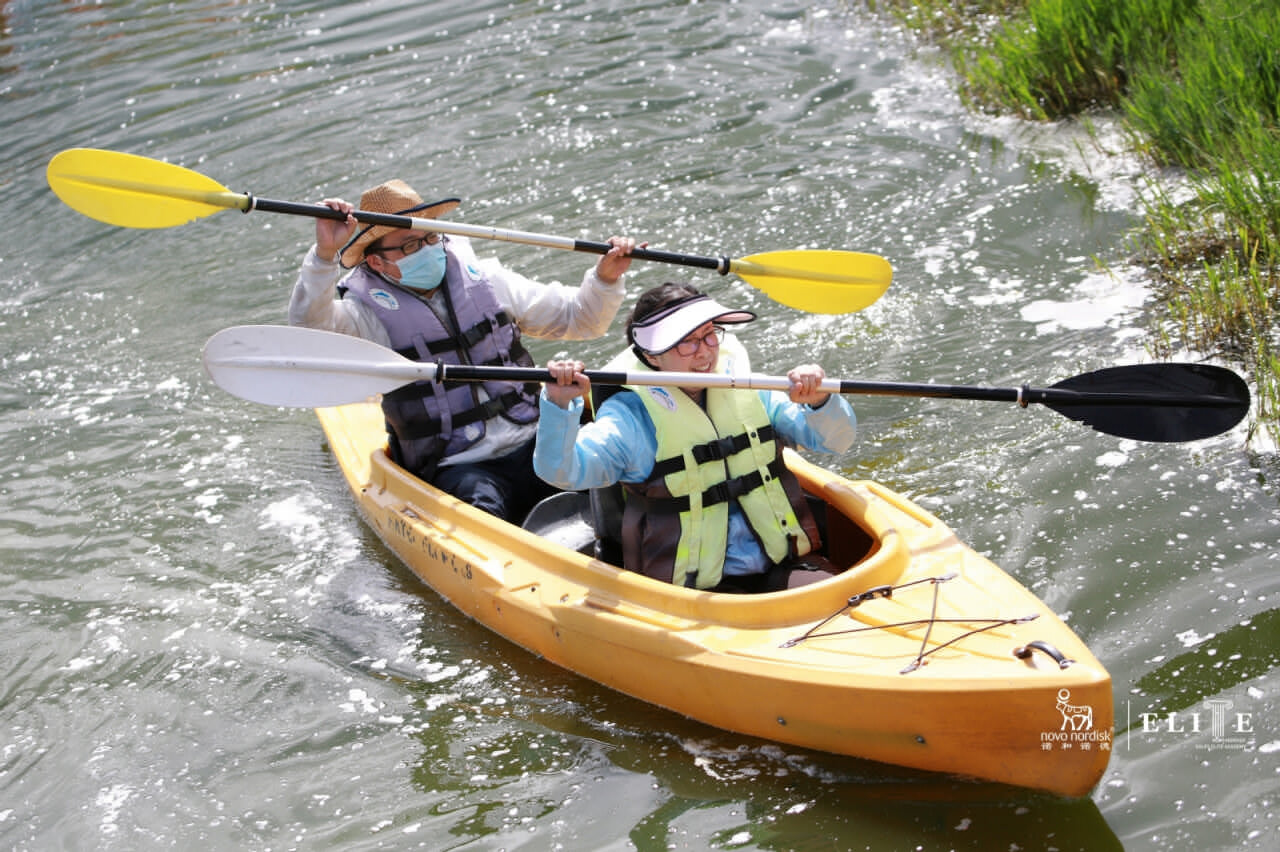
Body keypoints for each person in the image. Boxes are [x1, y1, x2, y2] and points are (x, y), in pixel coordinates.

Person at [289, 178, 638, 523]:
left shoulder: (486, 279)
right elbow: (311, 337)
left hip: (538, 438)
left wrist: (605, 278)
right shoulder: (364, 316)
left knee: (618, 471)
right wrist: (324, 255)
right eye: (410, 246)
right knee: (482, 510)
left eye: (430, 237)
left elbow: (579, 319)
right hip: (460, 464)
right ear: (375, 262)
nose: (426, 249)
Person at [533, 282, 857, 593]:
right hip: (691, 591)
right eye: (687, 342)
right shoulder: (631, 418)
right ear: (653, 356)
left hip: (779, 564)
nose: (704, 353)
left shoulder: (749, 389)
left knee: (847, 601)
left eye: (709, 336)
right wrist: (561, 405)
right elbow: (561, 471)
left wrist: (820, 402)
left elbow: (835, 441)